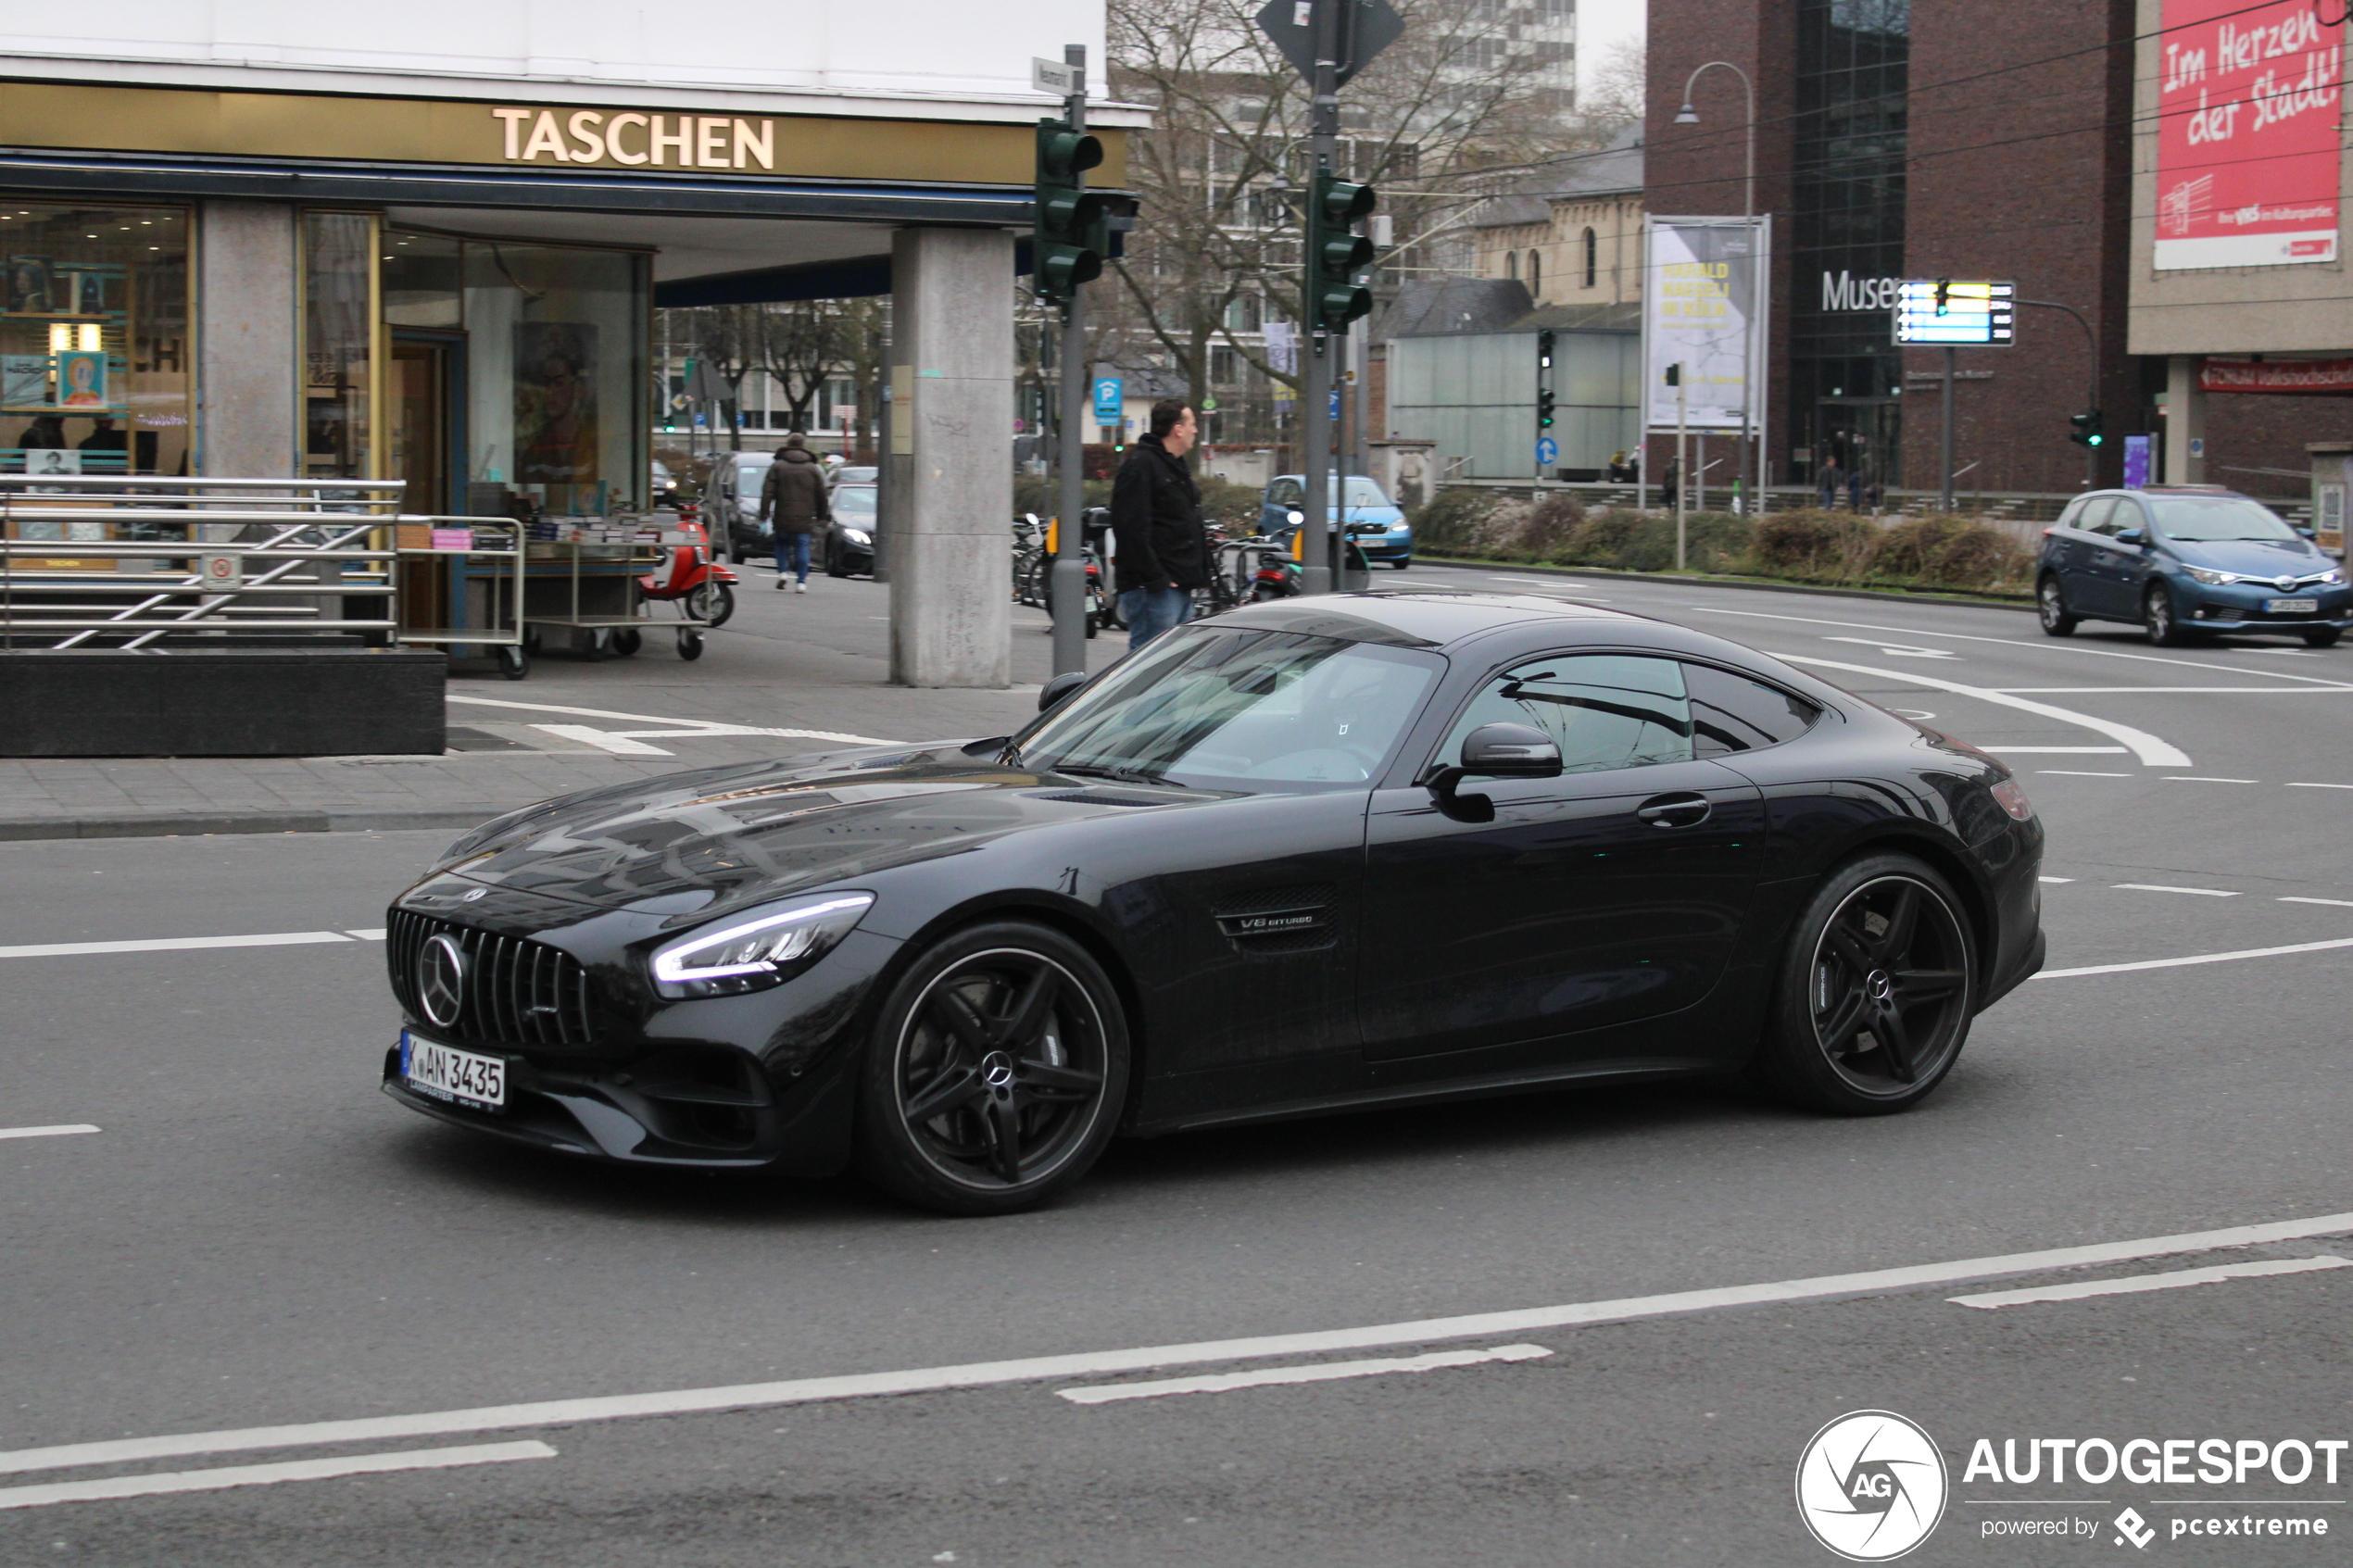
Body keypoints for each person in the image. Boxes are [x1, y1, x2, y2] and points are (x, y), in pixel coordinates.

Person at [1109, 399, 1209, 650]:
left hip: (1174, 584)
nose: (1195, 431)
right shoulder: (1142, 466)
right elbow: (1130, 528)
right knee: (1150, 667)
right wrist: (1156, 578)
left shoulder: (1172, 466)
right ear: (1178, 429)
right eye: (1192, 424)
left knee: (1168, 668)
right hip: (1154, 590)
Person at [760, 433, 829, 592]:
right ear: (803, 446)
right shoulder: (813, 468)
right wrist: (821, 516)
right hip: (804, 517)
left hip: (782, 514)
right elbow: (822, 495)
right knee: (802, 546)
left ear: (788, 444)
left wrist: (764, 514)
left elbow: (767, 492)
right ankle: (801, 582)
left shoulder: (778, 466)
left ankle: (783, 572)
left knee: (781, 544)